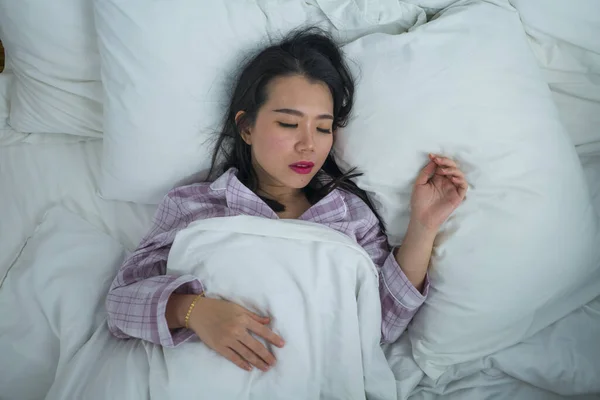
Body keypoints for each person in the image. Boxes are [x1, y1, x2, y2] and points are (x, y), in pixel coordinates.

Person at [106, 28, 467, 374]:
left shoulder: (349, 216)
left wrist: (423, 225)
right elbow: (120, 305)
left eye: (323, 128)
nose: (309, 144)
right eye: (288, 124)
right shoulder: (194, 205)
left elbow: (384, 324)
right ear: (246, 127)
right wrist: (193, 311)